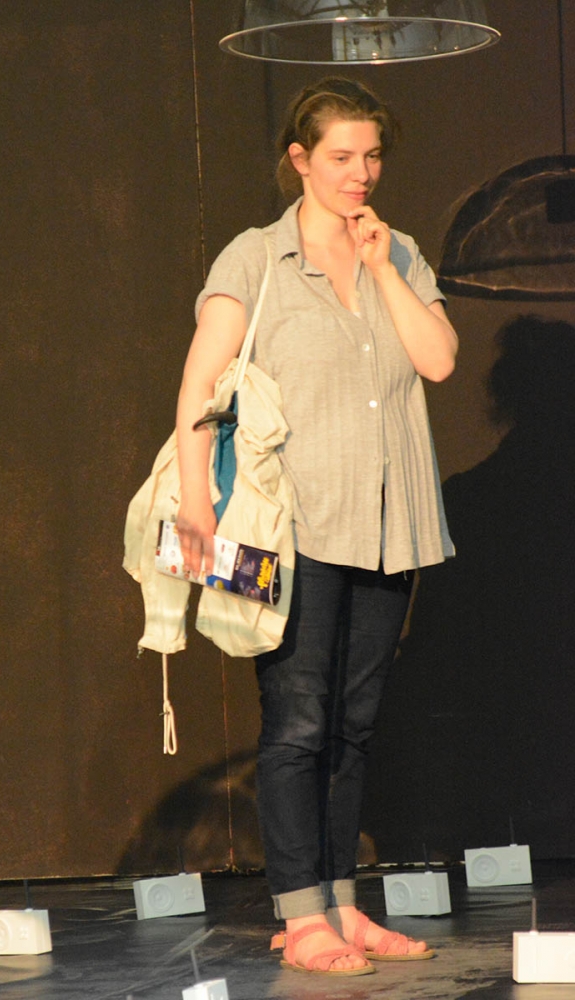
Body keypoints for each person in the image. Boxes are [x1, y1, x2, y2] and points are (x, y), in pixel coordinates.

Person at [175, 77, 457, 976]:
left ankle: (340, 904)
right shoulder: (256, 259)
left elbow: (438, 362)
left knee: (353, 725)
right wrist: (195, 500)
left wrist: (382, 269)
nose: (358, 173)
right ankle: (301, 919)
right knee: (297, 723)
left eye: (371, 156)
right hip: (292, 528)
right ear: (299, 159)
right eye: (340, 156)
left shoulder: (397, 251)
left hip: (389, 523)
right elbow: (200, 386)